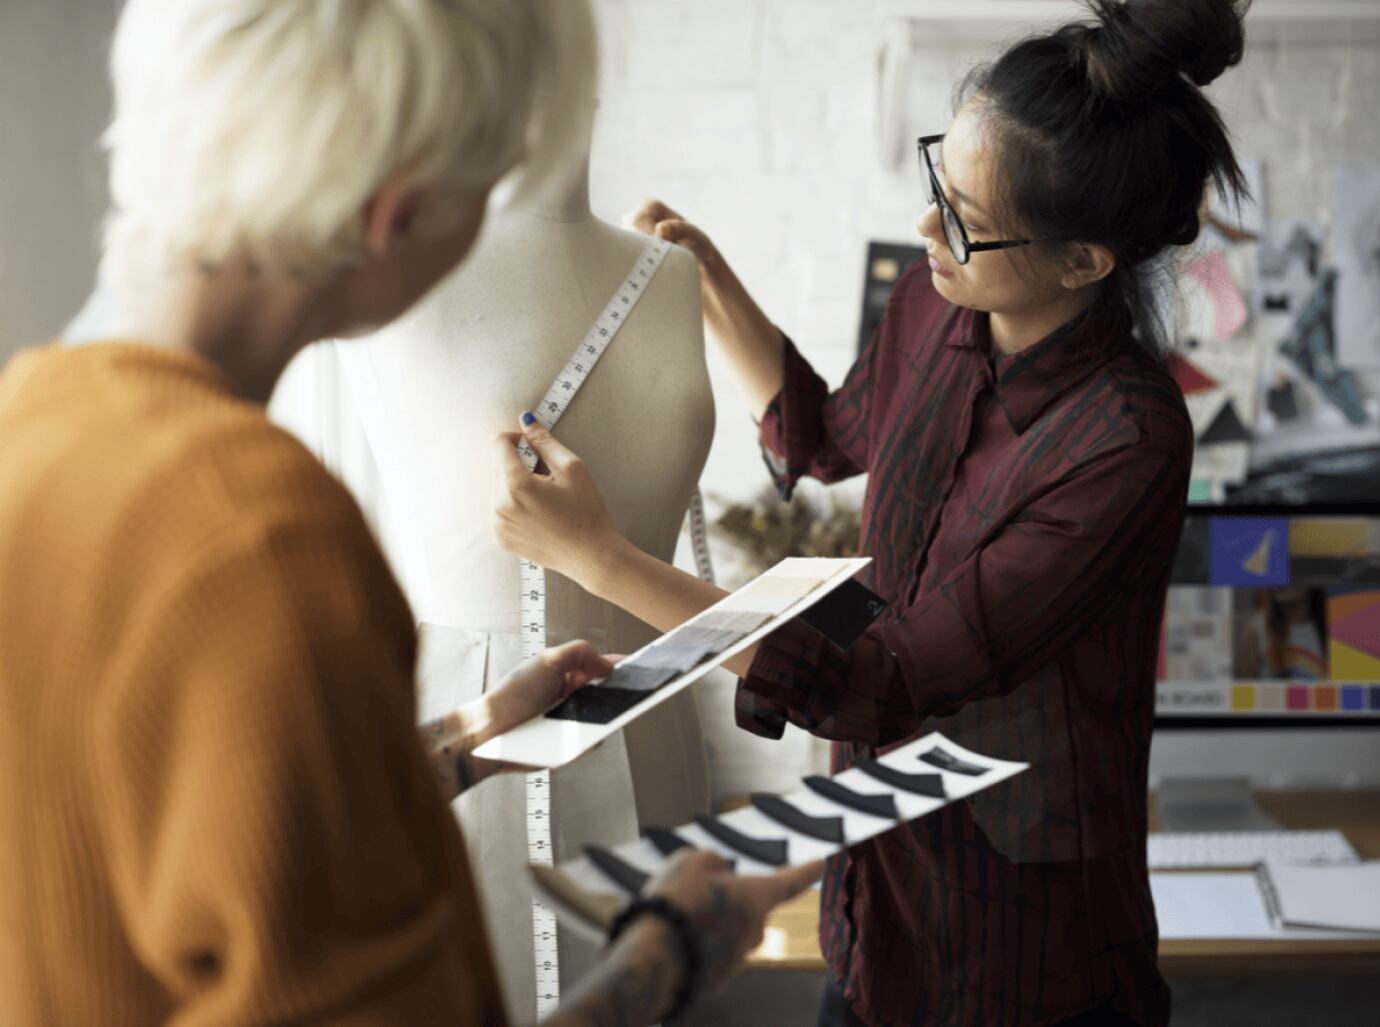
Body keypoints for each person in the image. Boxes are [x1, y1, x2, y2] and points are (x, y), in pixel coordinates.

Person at [0, 1, 818, 1024]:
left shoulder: (29, 429)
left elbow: (229, 862)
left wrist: (457, 746)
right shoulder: (263, 539)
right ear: (401, 210)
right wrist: (669, 953)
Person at [492, 1, 1252, 1023]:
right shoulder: (939, 303)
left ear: (1083, 261)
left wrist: (599, 557)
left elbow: (878, 678)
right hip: (871, 911)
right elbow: (825, 433)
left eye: (966, 218)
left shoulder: (1126, 441)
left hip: (1025, 958)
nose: (929, 228)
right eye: (941, 184)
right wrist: (707, 278)